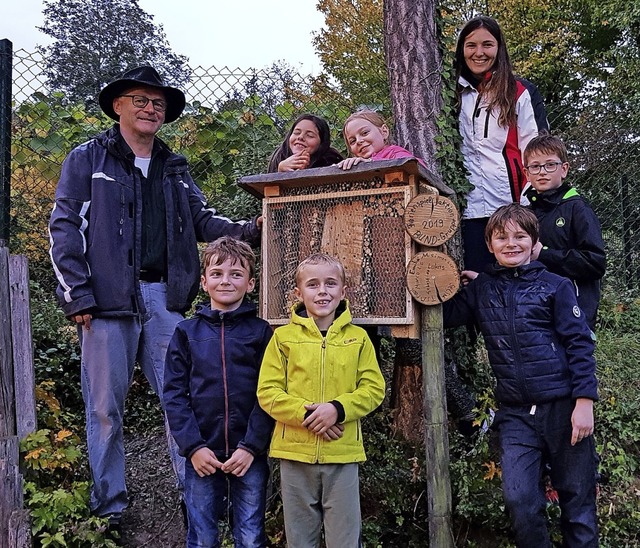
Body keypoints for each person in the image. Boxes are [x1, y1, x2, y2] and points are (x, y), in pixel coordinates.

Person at [48, 66, 261, 532]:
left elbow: (205, 220)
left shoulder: (174, 166)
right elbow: (64, 228)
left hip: (166, 299)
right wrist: (78, 295)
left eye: (158, 103)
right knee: (104, 408)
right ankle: (111, 510)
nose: (150, 108)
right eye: (140, 100)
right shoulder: (88, 159)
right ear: (118, 105)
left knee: (182, 399)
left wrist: (253, 229)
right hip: (105, 303)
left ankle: (196, 503)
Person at [444, 204, 599, 547]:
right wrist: (440, 280)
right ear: (489, 244)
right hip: (515, 415)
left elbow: (579, 344)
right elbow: (446, 314)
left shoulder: (556, 286)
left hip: (564, 408)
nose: (510, 243)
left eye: (520, 236)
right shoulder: (483, 289)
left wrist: (584, 401)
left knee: (577, 503)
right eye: (501, 237)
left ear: (534, 242)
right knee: (520, 502)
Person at [257, 253, 385, 548]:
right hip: (294, 455)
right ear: (298, 293)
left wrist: (337, 410)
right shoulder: (283, 338)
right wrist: (311, 417)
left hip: (342, 455)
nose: (323, 291)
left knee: (344, 539)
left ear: (343, 291)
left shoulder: (359, 339)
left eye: (331, 283)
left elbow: (373, 388)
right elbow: (269, 391)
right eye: (313, 285)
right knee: (300, 539)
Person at [164, 237, 273, 547]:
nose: (226, 280)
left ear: (251, 283)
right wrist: (193, 447)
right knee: (202, 538)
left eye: (236, 274)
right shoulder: (186, 333)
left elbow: (270, 394)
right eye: (217, 273)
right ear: (204, 281)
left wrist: (251, 446)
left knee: (251, 537)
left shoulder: (261, 332)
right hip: (202, 455)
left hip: (248, 455)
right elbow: (173, 395)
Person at [456, 15, 549, 272]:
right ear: (461, 49)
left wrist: (529, 199)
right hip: (467, 209)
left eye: (487, 45)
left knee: (516, 281)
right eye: (471, 45)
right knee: (475, 282)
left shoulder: (519, 91)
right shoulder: (450, 92)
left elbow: (536, 148)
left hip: (511, 205)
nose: (479, 52)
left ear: (499, 48)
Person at [523, 133, 606, 331]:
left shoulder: (578, 209)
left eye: (550, 164)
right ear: (526, 173)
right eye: (535, 166)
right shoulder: (525, 214)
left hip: (574, 314)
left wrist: (545, 254)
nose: (542, 172)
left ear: (564, 169)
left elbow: (595, 263)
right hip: (535, 313)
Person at [336, 110, 426, 170]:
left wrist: (371, 162)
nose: (359, 141)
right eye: (352, 141)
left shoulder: (394, 153)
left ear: (384, 131)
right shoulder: (356, 165)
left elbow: (416, 166)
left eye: (364, 133)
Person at [267, 113, 343, 172]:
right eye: (296, 133)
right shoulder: (279, 157)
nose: (300, 137)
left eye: (310, 135)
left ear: (321, 143)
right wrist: (280, 171)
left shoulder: (331, 161)